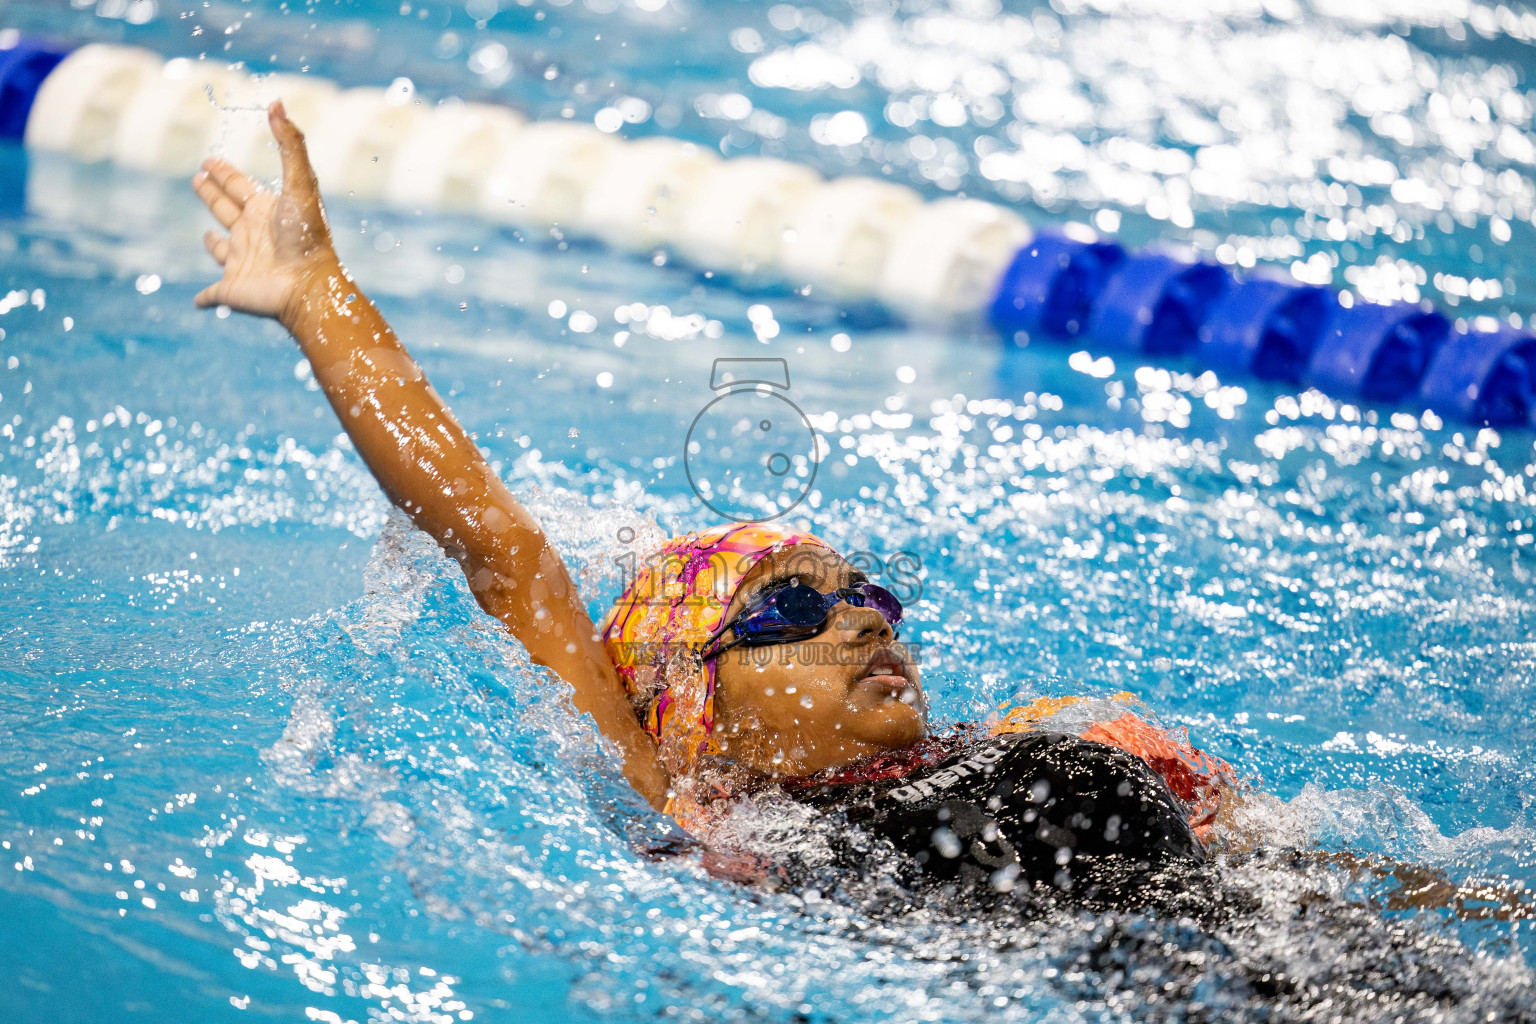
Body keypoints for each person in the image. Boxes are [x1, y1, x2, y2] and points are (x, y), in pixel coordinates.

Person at [188, 102, 1496, 920]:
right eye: (794, 609)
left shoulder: (1018, 742)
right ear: (694, 703)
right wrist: (320, 296)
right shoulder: (697, 807)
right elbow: (503, 554)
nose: (866, 621)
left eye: (873, 598)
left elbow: (1315, 902)